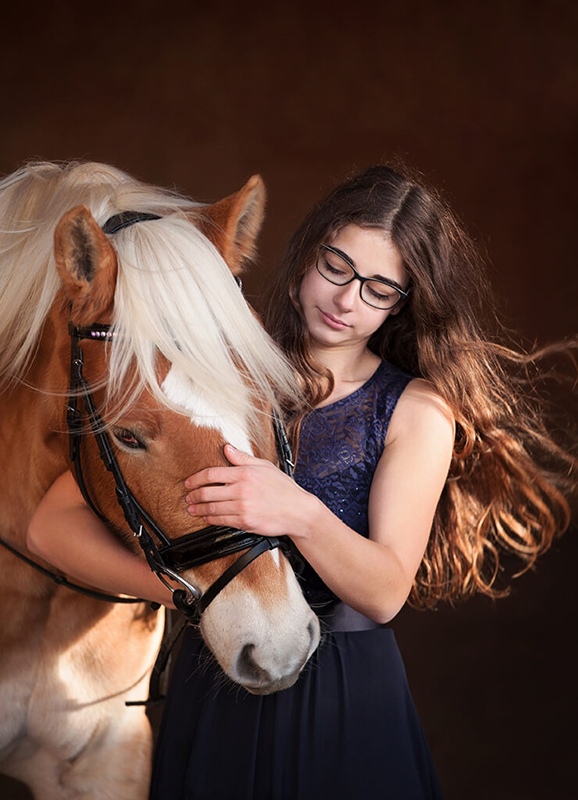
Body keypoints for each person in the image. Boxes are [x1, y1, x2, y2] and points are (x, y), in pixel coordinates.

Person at [28, 165, 575, 800]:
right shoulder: (216, 370)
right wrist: (189, 595)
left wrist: (298, 511)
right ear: (306, 254)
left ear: (404, 302)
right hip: (219, 673)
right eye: (337, 267)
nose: (346, 300)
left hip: (343, 695)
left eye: (379, 289)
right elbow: (49, 526)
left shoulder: (415, 409)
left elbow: (385, 592)